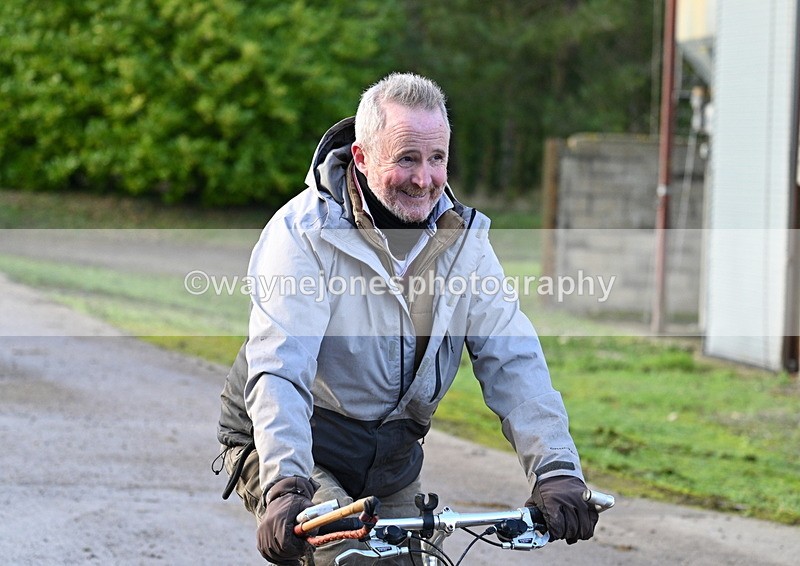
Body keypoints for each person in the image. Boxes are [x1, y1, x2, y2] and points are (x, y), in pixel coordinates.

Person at [216, 72, 598, 565]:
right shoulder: (303, 235)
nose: (425, 179)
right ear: (362, 157)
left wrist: (556, 469)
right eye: (406, 158)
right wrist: (285, 485)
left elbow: (512, 355)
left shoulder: (465, 244)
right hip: (294, 442)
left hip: (390, 460)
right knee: (346, 557)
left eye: (437, 158)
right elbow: (280, 369)